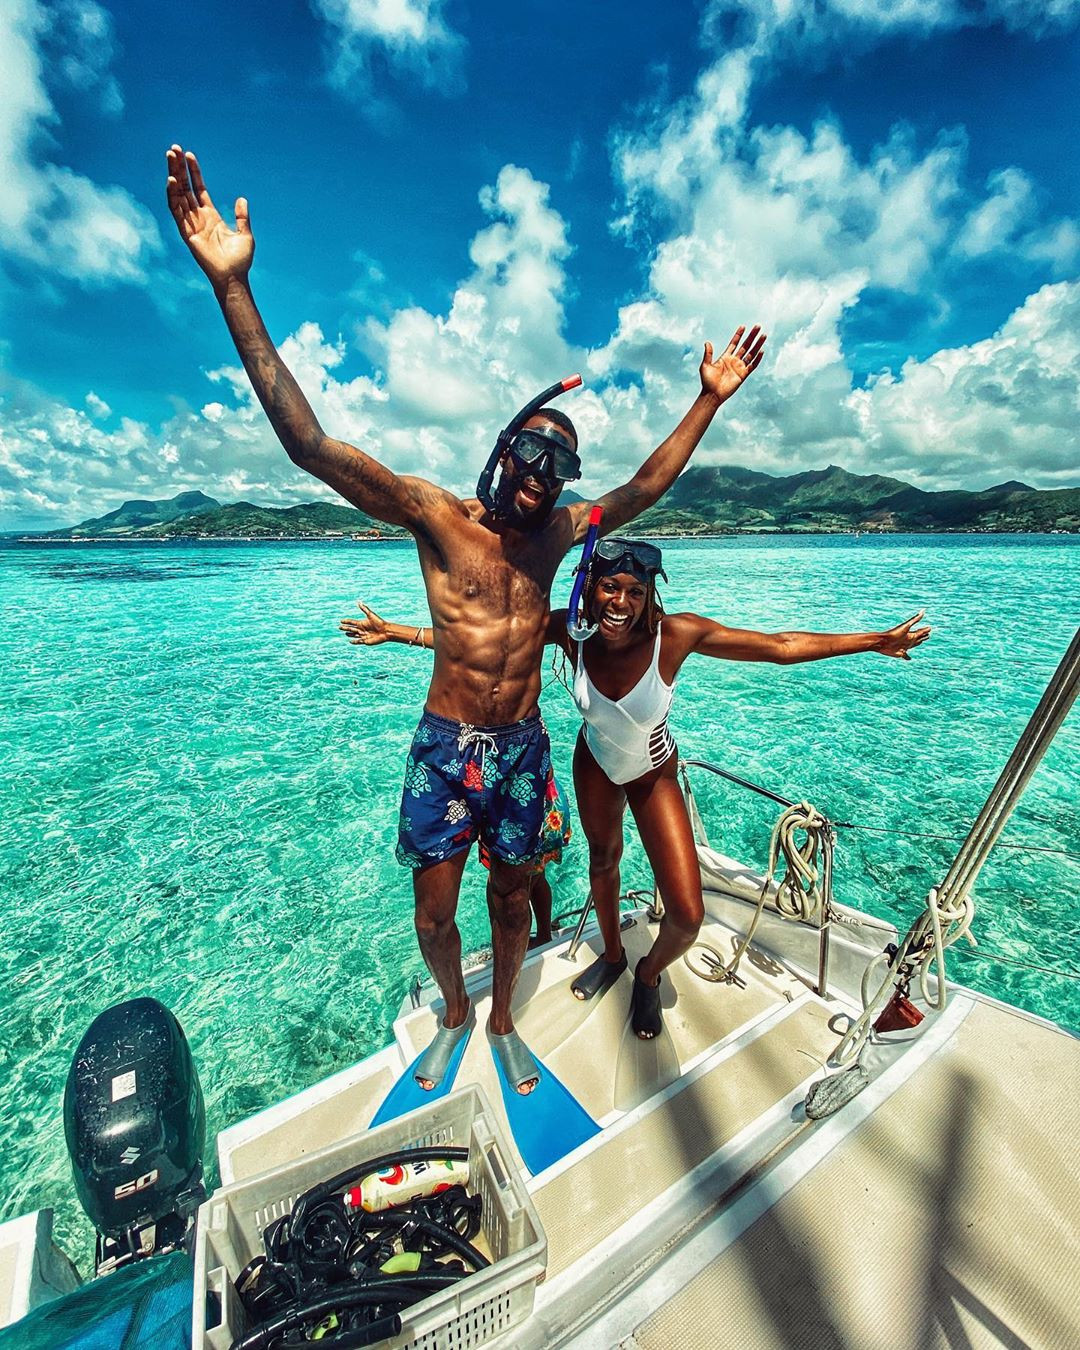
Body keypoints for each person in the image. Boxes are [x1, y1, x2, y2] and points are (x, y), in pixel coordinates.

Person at [165, 144, 766, 1097]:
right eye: (533, 451)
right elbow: (310, 445)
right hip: (446, 746)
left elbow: (644, 488)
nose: (544, 473)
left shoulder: (562, 534)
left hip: (523, 746)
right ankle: (453, 1011)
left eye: (561, 465)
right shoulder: (438, 518)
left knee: (513, 898)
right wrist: (234, 288)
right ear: (504, 449)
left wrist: (707, 399)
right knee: (436, 915)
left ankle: (503, 1019)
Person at [343, 543, 930, 1038]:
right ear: (591, 589)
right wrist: (395, 633)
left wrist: (872, 640)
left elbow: (779, 646)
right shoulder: (571, 632)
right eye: (609, 588)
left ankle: (648, 975)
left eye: (634, 591)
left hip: (652, 773)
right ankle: (613, 956)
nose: (620, 603)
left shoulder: (676, 636)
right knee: (603, 863)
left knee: (687, 915)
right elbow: (483, 641)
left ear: (650, 597)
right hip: (595, 764)